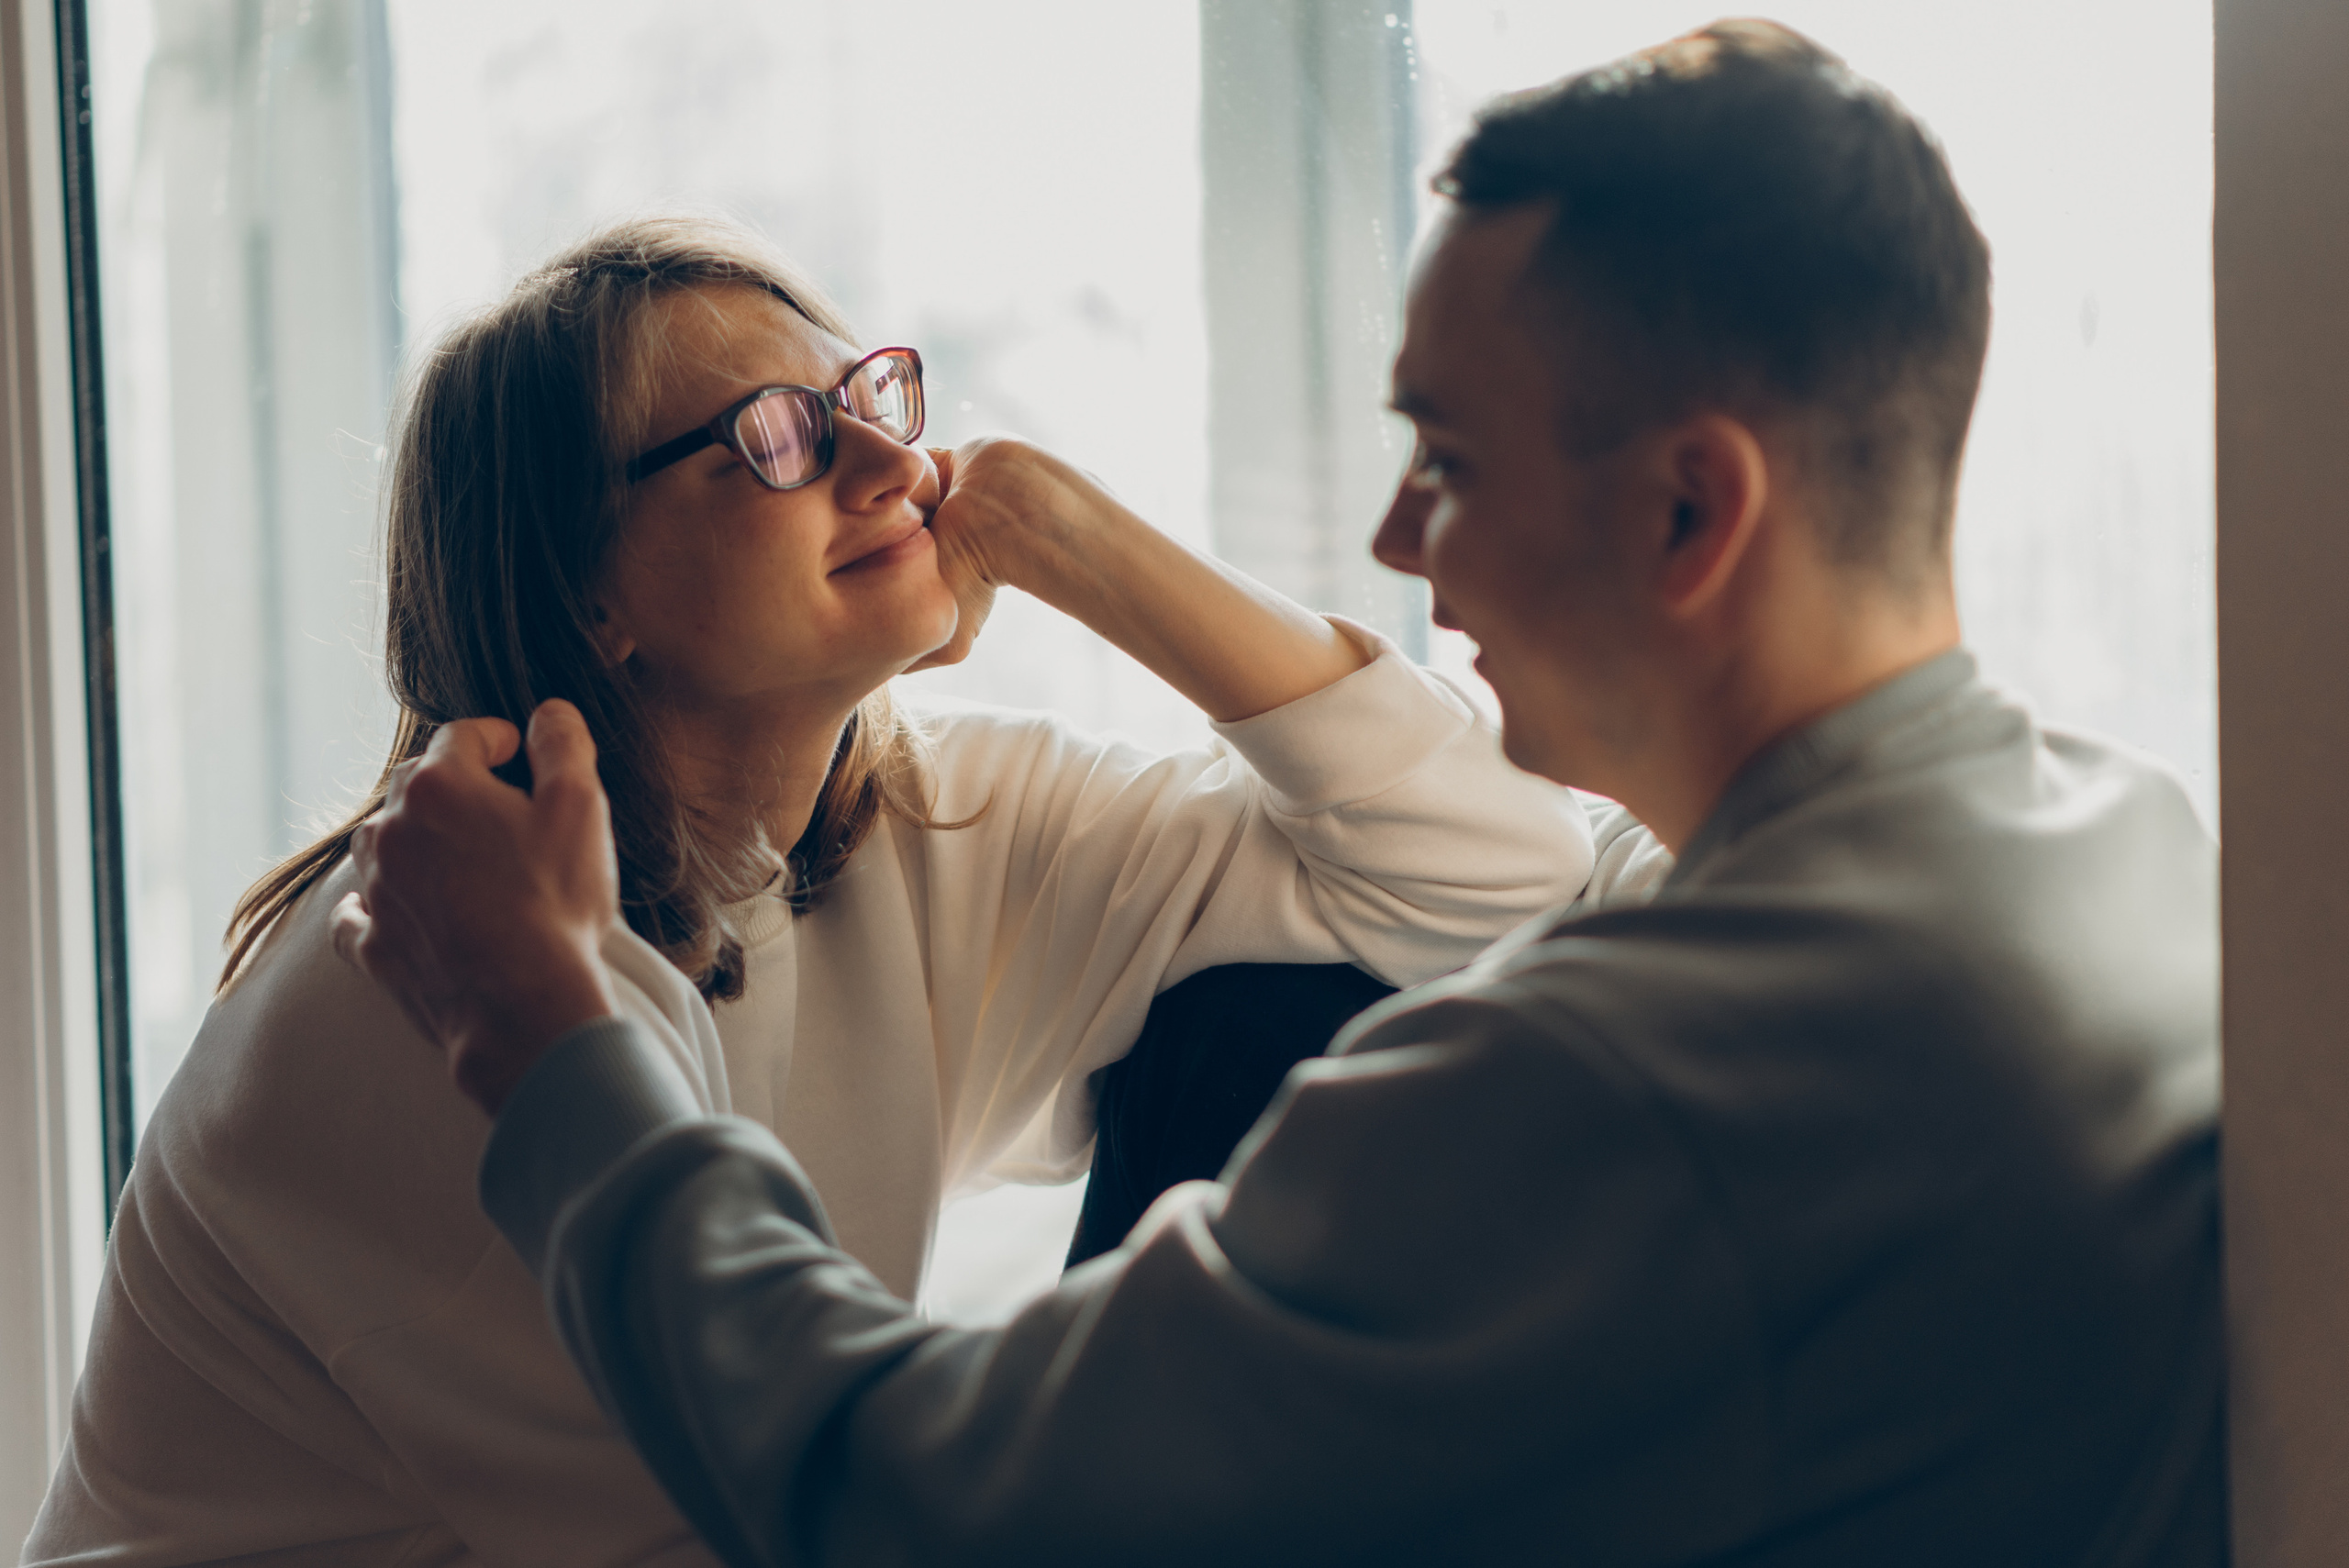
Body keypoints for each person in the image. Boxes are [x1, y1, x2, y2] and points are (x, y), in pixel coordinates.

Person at [326, 21, 2224, 1568]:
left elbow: (900, 1505)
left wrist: (550, 1046)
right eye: (769, 438)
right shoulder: (2128, 843)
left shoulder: (1616, 1080)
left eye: (1446, 461)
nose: (1398, 536)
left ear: (1686, 510)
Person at [26, 215, 1643, 1566]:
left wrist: (1076, 539)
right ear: (589, 592)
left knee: (1304, 1011)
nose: (891, 458)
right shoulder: (437, 974)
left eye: (871, 393)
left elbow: (1490, 876)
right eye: (781, 438)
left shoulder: (906, 827)